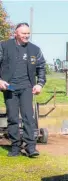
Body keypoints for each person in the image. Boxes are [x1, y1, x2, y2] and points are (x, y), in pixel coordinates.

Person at [0, 22, 46, 157]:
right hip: (10, 87)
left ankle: (31, 147)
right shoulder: (4, 46)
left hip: (27, 87)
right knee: (13, 117)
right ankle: (15, 146)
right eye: (23, 33)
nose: (26, 36)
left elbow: (41, 67)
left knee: (28, 117)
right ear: (16, 34)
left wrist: (40, 84)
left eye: (28, 33)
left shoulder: (35, 49)